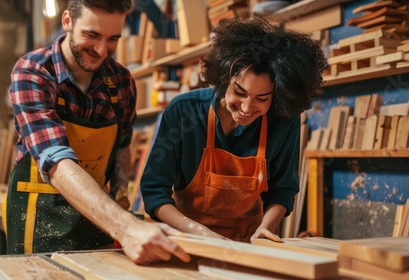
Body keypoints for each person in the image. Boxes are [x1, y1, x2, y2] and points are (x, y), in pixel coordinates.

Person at [3, 0, 189, 265]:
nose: (102, 50)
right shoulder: (33, 72)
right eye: (92, 35)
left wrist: (121, 184)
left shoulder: (122, 81)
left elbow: (123, 142)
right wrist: (126, 227)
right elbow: (56, 161)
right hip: (39, 220)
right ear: (67, 21)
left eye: (113, 38)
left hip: (99, 218)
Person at [140, 16, 327, 243]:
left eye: (262, 98)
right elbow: (153, 192)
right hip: (189, 242)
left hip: (248, 245)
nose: (247, 108)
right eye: (239, 92)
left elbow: (283, 190)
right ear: (223, 79)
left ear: (277, 97)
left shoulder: (284, 121)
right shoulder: (183, 112)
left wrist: (264, 231)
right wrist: (200, 233)